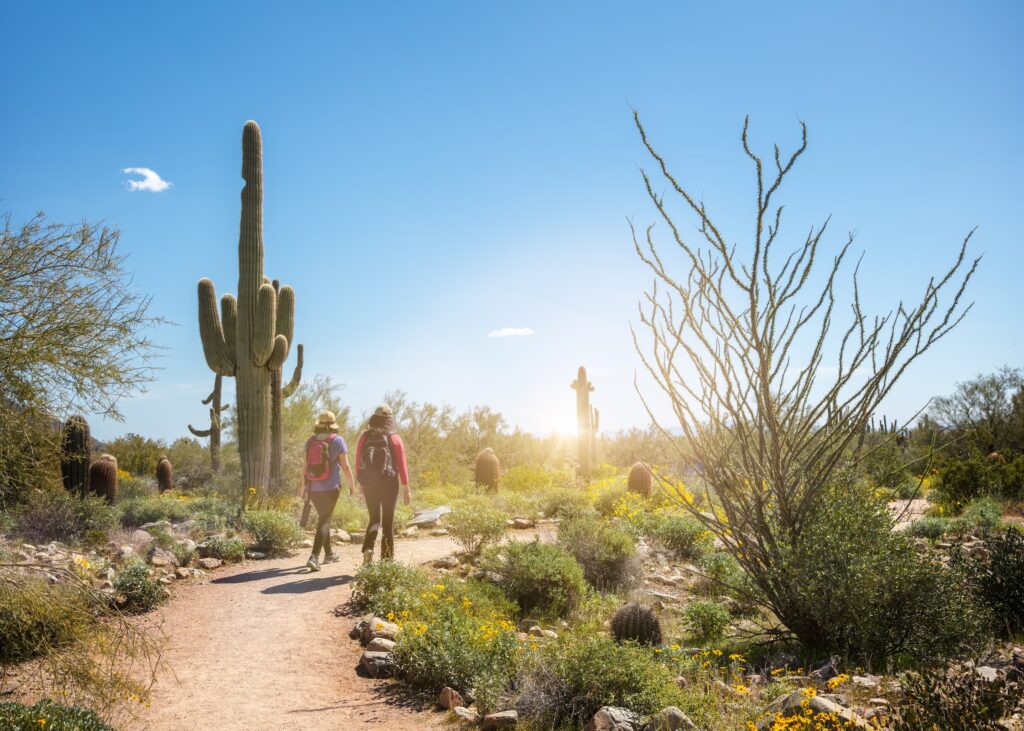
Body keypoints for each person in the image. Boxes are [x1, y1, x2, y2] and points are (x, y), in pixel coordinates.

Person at [354, 405, 411, 564]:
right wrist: (406, 487)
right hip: (390, 484)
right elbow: (402, 465)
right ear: (389, 420)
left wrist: (361, 483)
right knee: (387, 522)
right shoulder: (395, 439)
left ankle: (368, 550)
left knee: (374, 519)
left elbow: (358, 461)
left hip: (369, 484)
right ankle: (386, 561)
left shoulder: (364, 437)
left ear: (374, 418)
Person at [302, 410, 356, 572]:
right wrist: (352, 485)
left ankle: (329, 554)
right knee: (325, 520)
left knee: (323, 519)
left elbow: (304, 467)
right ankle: (314, 557)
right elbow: (345, 466)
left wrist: (303, 487)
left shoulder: (310, 441)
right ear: (333, 425)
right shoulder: (337, 441)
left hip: (313, 488)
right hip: (331, 487)